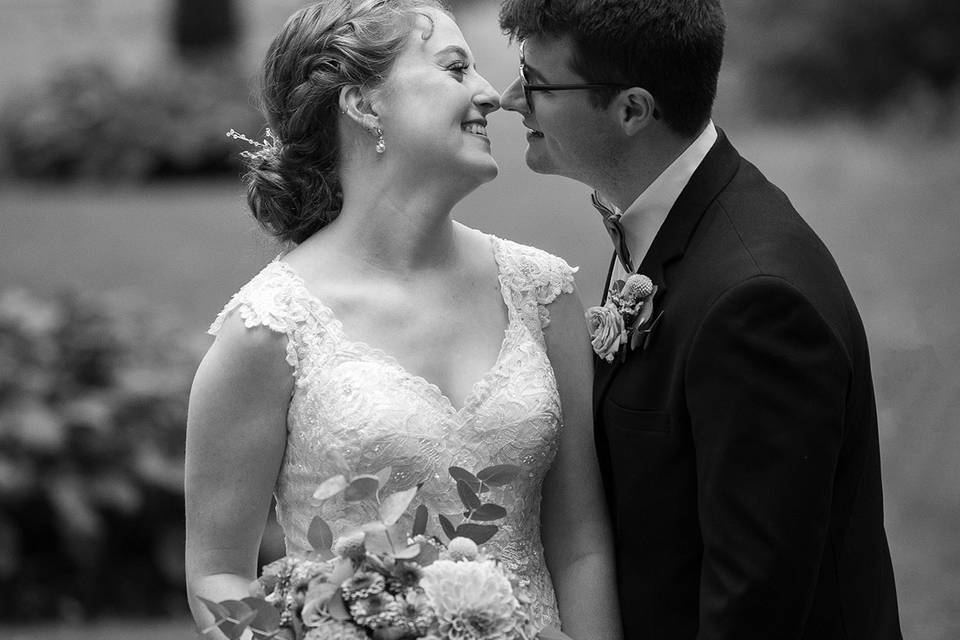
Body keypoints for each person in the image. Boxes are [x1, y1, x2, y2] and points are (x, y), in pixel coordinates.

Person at [184, 1, 621, 639]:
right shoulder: (270, 330)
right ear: (364, 104)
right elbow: (217, 572)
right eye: (455, 68)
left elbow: (582, 542)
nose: (491, 95)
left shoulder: (541, 293)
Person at [498, 1, 902, 638]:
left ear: (632, 110)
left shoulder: (757, 304)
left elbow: (753, 608)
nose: (510, 98)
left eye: (538, 82)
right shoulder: (670, 219)